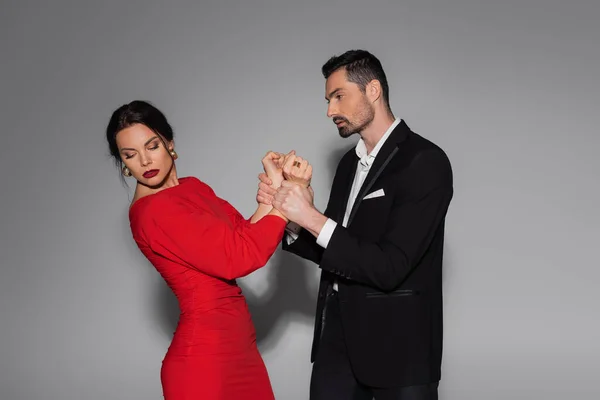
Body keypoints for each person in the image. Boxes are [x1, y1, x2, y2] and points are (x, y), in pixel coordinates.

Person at [258, 50, 454, 399]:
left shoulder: (426, 161)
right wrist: (287, 211)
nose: (330, 110)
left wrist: (311, 216)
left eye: (338, 96)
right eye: (328, 100)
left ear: (373, 90)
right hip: (336, 343)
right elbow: (338, 250)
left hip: (400, 351)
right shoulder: (349, 163)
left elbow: (390, 266)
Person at [105, 100, 311, 399]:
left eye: (152, 146)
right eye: (131, 155)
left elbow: (242, 233)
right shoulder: (151, 212)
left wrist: (275, 187)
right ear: (123, 163)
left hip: (241, 351)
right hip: (204, 364)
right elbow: (240, 257)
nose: (146, 162)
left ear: (169, 143)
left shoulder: (192, 188)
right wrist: (286, 200)